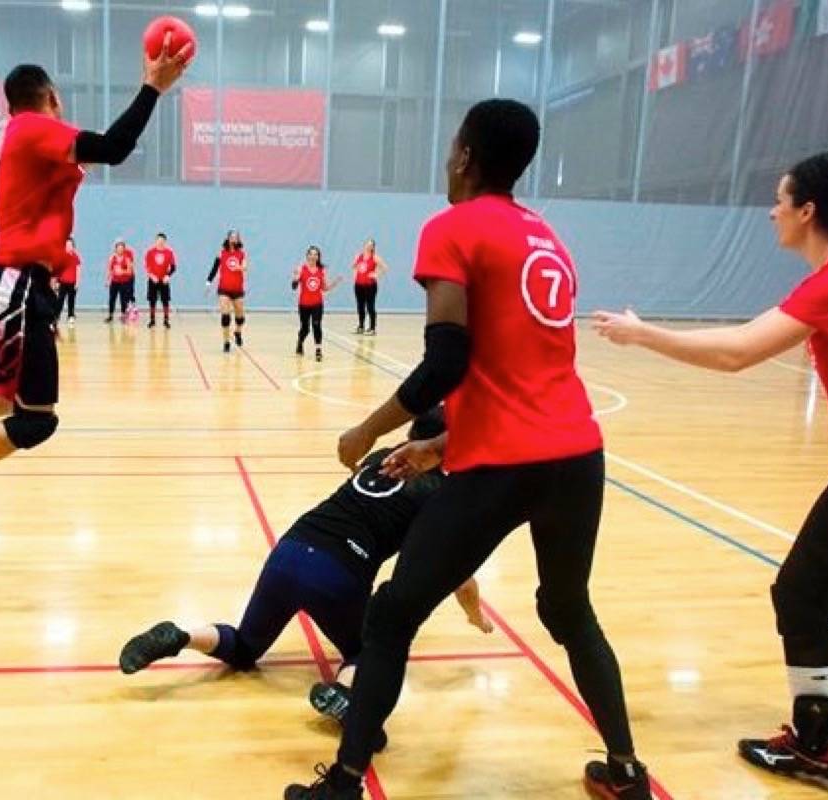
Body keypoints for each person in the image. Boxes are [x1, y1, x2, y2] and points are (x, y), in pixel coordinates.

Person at [284, 99, 649, 800]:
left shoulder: (452, 228)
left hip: (504, 468)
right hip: (577, 455)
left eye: (453, 147)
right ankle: (628, 773)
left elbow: (446, 360)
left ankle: (344, 785)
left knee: (393, 614)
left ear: (464, 156)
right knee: (568, 609)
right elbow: (528, 375)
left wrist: (370, 430)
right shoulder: (548, 240)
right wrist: (440, 445)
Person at [592, 151, 828, 788]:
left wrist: (643, 333)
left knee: (799, 589)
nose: (772, 212)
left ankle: (814, 743)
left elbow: (738, 352)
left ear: (808, 211)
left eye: (780, 200)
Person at [0, 43, 191, 538]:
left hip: (17, 286)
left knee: (7, 396)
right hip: (15, 284)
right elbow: (114, 147)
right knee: (36, 420)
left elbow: (94, 157)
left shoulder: (35, 147)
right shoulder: (32, 129)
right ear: (52, 97)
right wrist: (152, 88)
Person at [119, 410, 491, 727]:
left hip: (290, 550)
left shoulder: (381, 456)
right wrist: (476, 617)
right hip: (340, 572)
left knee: (245, 647)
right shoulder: (436, 494)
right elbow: (458, 576)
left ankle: (181, 635)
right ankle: (343, 692)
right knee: (368, 650)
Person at [293, 245, 342, 362]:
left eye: (316, 254)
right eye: (311, 254)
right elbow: (294, 287)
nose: (313, 256)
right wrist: (295, 278)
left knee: (316, 325)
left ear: (318, 257)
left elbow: (324, 288)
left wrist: (335, 283)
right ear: (307, 256)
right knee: (305, 328)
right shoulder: (301, 269)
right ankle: (300, 342)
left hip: (317, 303)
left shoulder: (321, 270)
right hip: (304, 304)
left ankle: (318, 350)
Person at [206, 229, 248, 352]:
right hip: (224, 288)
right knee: (225, 315)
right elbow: (214, 268)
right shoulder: (222, 253)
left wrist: (239, 267)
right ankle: (226, 342)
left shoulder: (241, 254)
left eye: (236, 237)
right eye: (232, 237)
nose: (234, 239)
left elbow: (245, 267)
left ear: (238, 240)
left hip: (237, 289)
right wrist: (208, 282)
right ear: (228, 239)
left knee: (240, 317)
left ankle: (238, 332)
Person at [352, 239, 386, 336]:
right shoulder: (359, 256)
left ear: (373, 247)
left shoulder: (375, 257)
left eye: (371, 245)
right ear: (364, 245)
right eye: (367, 244)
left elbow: (384, 268)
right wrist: (355, 275)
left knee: (370, 306)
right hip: (359, 285)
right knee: (360, 306)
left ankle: (372, 328)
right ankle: (361, 326)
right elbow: (354, 266)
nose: (369, 246)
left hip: (370, 286)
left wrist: (376, 275)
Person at [145, 232, 176, 328]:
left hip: (164, 280)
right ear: (155, 241)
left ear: (165, 242)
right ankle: (152, 320)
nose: (160, 242)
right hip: (153, 280)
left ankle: (166, 320)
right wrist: (151, 276)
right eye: (158, 240)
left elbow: (173, 267)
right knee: (152, 300)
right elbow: (147, 267)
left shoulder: (169, 252)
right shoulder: (150, 252)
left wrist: (168, 276)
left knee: (165, 301)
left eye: (162, 241)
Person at [105, 240, 136, 323]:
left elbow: (130, 271)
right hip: (114, 282)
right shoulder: (112, 258)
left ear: (124, 249)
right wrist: (107, 280)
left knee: (123, 299)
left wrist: (122, 271)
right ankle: (110, 315)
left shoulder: (127, 259)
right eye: (118, 248)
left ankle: (123, 315)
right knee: (112, 299)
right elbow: (109, 270)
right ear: (115, 249)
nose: (120, 250)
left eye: (121, 249)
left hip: (124, 282)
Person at [54, 236, 80, 329]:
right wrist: (57, 281)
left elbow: (78, 270)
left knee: (71, 300)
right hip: (63, 282)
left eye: (70, 245)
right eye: (67, 245)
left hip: (72, 282)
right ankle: (56, 316)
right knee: (60, 300)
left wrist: (77, 282)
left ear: (73, 246)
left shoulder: (75, 256)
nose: (68, 246)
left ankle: (71, 316)